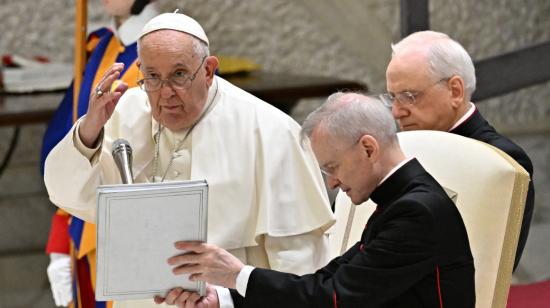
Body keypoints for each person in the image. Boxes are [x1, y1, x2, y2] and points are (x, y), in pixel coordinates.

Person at [44, 11, 335, 308]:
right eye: (152, 77)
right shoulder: (124, 112)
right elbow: (69, 194)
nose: (165, 93)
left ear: (208, 70)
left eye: (179, 75)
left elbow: (298, 262)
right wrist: (89, 130)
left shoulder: (270, 131)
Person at [157, 93, 476, 308]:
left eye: (333, 168)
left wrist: (237, 274)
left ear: (368, 148)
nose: (333, 182)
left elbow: (334, 298)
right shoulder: (402, 200)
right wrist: (224, 298)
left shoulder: (415, 212)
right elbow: (329, 280)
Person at [41, 1, 159, 307]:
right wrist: (58, 239)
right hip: (84, 227)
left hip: (142, 229)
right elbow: (72, 149)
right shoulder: (101, 47)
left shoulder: (168, 51)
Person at [384, 30, 535, 270]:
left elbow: (487, 267)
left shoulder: (499, 159)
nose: (396, 112)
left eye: (409, 96)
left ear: (455, 91)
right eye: (392, 97)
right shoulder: (402, 147)